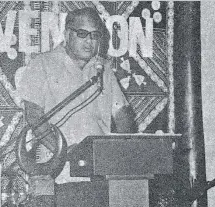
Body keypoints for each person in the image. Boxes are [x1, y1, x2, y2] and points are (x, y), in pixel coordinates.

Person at [15, 6, 135, 187]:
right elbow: (34, 116)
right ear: (67, 34)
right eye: (82, 34)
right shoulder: (42, 64)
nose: (89, 41)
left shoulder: (103, 69)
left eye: (95, 35)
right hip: (55, 167)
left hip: (98, 167)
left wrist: (126, 150)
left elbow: (122, 113)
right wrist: (62, 152)